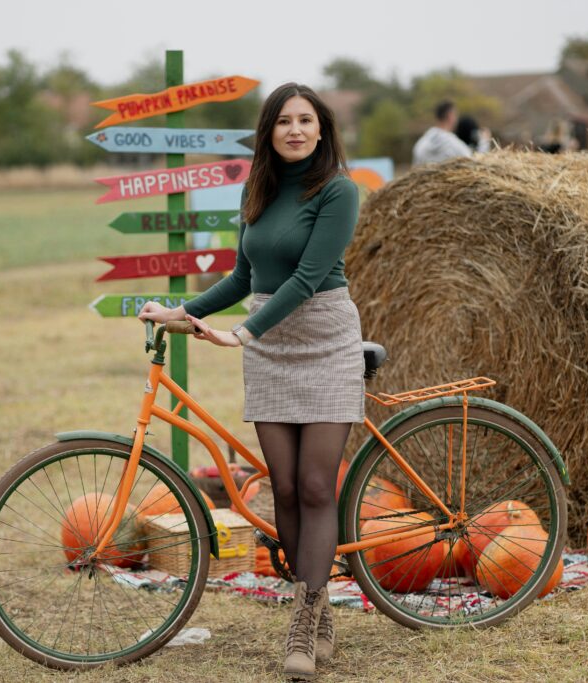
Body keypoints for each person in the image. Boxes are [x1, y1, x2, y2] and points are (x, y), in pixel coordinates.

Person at [137, 82, 362, 681]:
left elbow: (311, 277)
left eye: (305, 120)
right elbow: (243, 277)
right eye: (283, 121)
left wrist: (245, 333)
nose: (294, 130)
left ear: (322, 130)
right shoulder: (256, 191)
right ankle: (317, 613)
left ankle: (304, 618)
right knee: (283, 489)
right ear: (268, 132)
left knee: (316, 486)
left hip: (323, 339)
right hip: (268, 347)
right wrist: (184, 313)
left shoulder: (339, 190)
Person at [412, 99, 473, 166]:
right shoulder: (454, 144)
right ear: (450, 116)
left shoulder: (420, 144)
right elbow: (471, 161)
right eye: (455, 115)